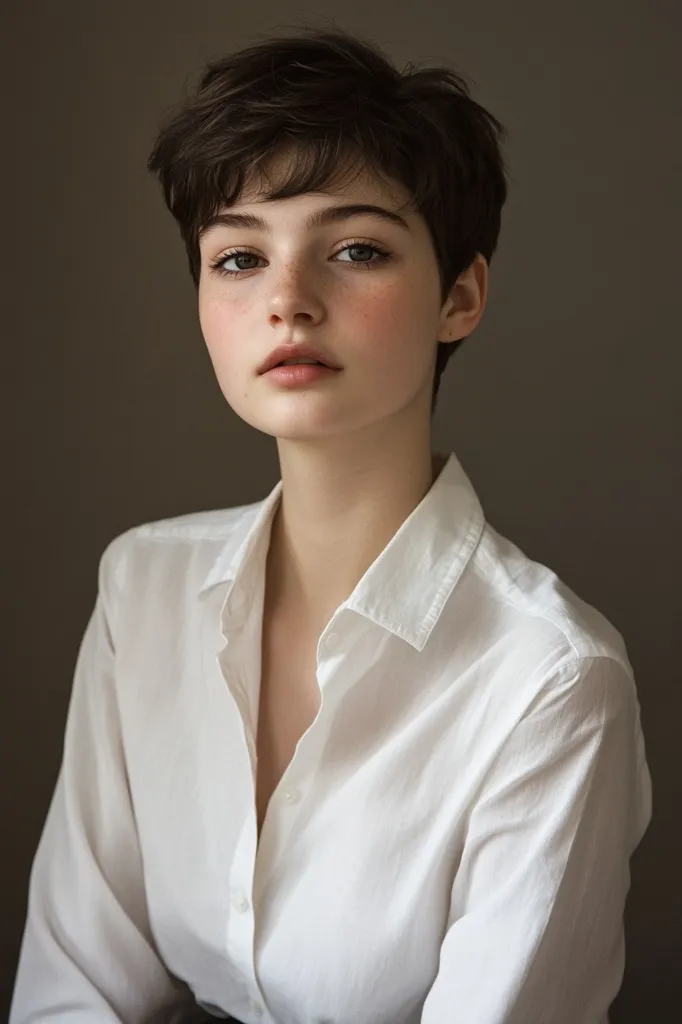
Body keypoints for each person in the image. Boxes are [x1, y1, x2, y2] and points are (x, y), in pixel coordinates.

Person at [10, 23, 652, 1024]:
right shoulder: (144, 589)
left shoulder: (552, 681)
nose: (288, 301)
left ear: (460, 294)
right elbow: (68, 992)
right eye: (237, 258)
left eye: (355, 249)